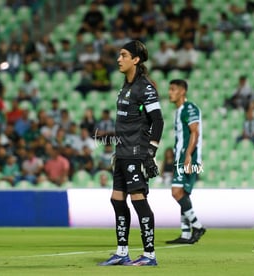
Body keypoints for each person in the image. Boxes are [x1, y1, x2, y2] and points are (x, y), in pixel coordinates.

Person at [99, 40, 164, 266]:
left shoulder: (145, 87)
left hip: (136, 153)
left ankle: (149, 254)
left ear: (135, 59)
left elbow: (158, 120)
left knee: (138, 199)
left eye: (124, 55)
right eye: (119, 55)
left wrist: (151, 151)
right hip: (122, 152)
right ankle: (122, 251)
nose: (119, 59)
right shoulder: (125, 86)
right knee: (117, 200)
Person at [166, 79, 206, 245]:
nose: (170, 92)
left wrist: (188, 156)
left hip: (189, 157)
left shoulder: (189, 108)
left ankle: (197, 226)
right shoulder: (179, 110)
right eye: (169, 89)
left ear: (182, 91)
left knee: (176, 192)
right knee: (183, 194)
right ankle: (185, 234)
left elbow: (194, 133)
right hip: (181, 157)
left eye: (173, 89)